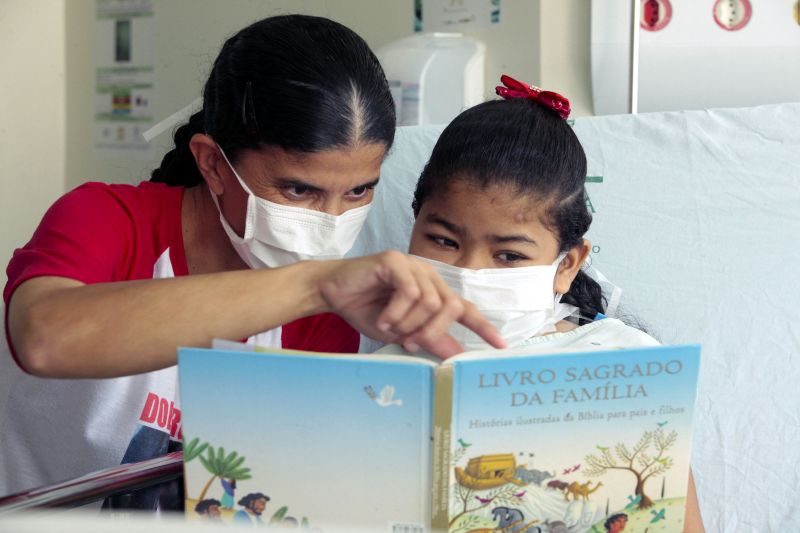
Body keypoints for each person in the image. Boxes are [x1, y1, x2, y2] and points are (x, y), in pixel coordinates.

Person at [0, 14, 502, 502]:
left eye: (357, 192)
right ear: (213, 164)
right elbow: (46, 338)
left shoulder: (326, 313)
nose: (330, 222)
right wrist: (312, 286)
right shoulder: (108, 220)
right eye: (299, 190)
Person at [375, 75, 705, 531]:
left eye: (509, 255)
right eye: (443, 240)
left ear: (567, 264)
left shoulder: (630, 367)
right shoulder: (383, 374)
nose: (472, 273)